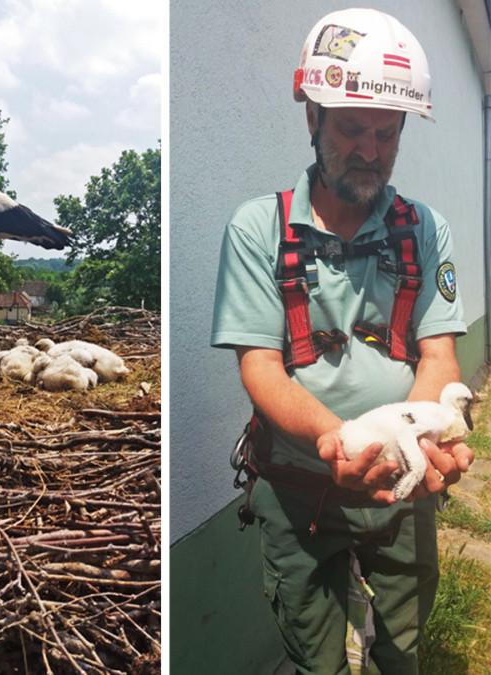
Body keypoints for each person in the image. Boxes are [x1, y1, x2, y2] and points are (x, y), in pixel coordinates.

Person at [210, 8, 473, 674]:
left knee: (401, 649)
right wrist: (338, 442)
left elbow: (439, 355)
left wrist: (416, 439)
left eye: (389, 133)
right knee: (315, 657)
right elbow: (262, 369)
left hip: (403, 486)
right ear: (312, 117)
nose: (371, 149)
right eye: (353, 128)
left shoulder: (424, 230)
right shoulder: (256, 229)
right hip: (300, 488)